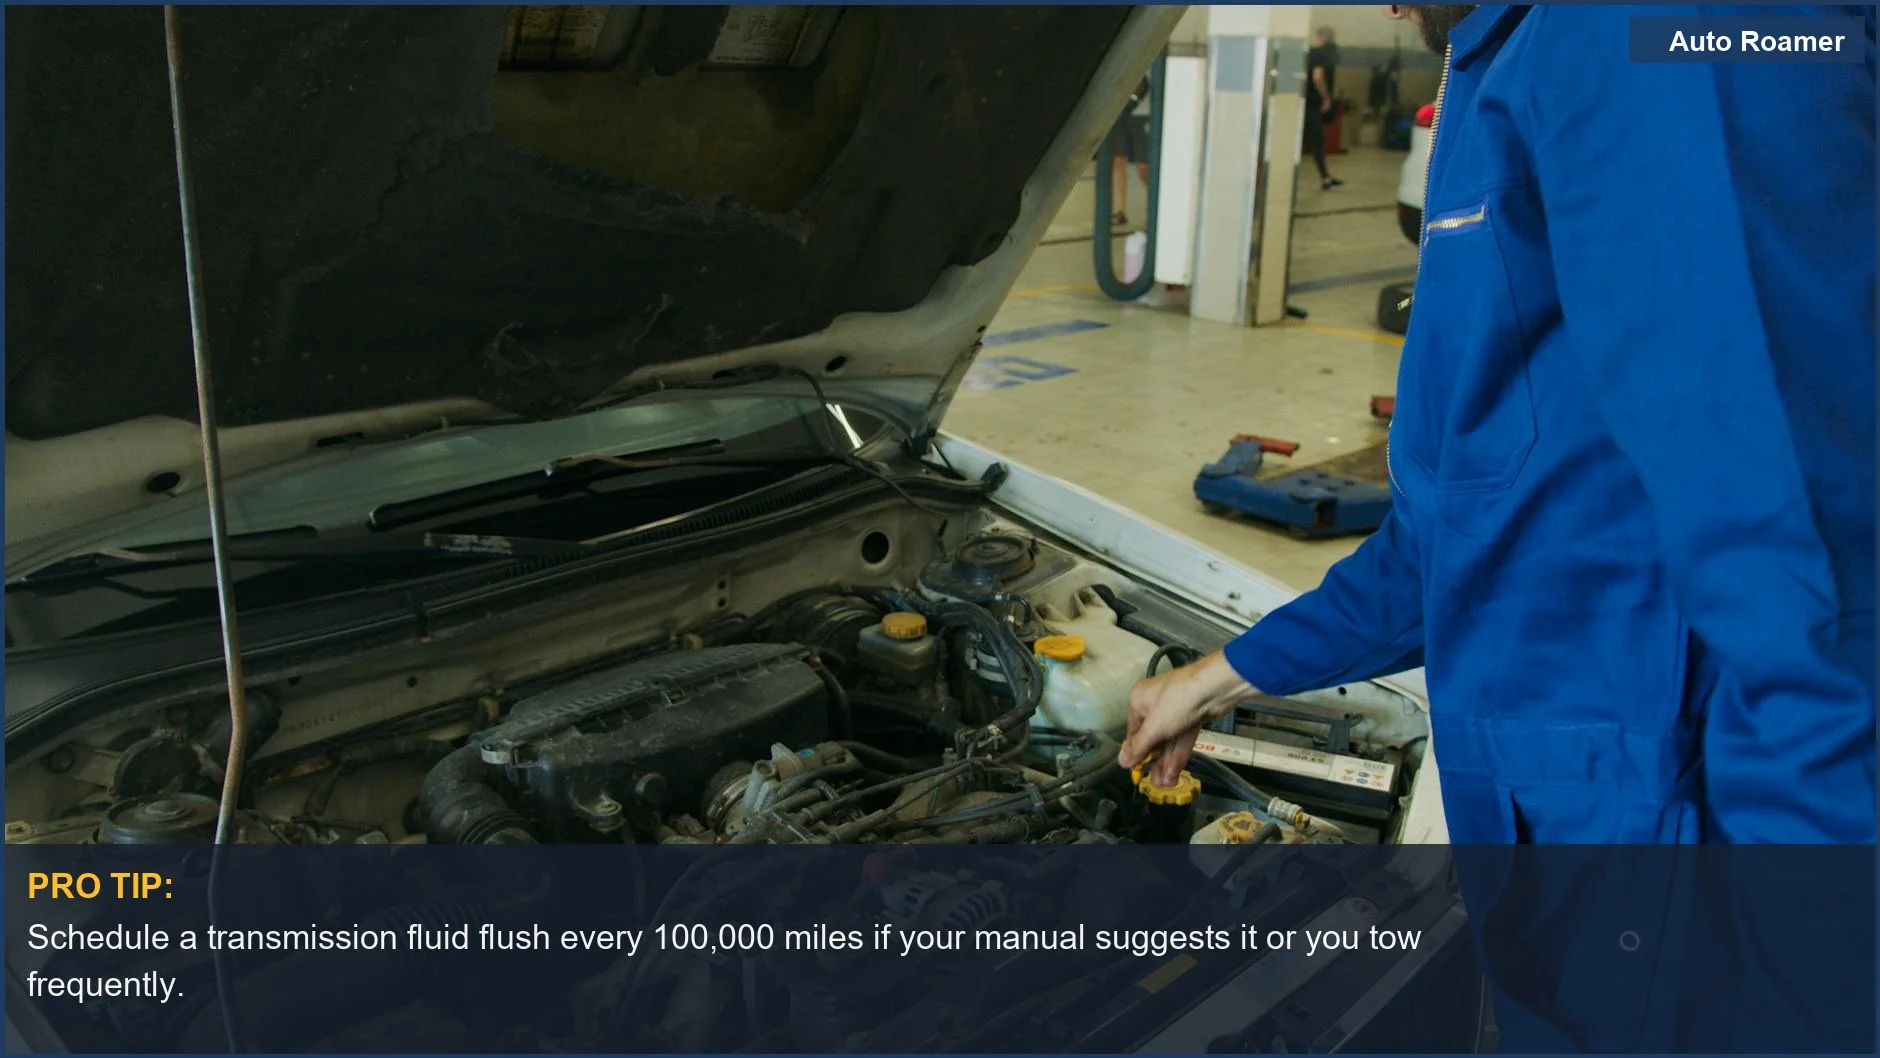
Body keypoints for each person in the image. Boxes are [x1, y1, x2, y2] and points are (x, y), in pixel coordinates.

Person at [1119, 6, 1875, 1045]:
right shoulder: (1505, 58)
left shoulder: (1667, 38)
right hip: (1559, 836)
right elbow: (1452, 522)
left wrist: (1813, 987)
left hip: (1671, 853)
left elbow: (1811, 590)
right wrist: (1220, 676)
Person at [1303, 26, 1343, 189]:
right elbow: (1318, 77)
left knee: (1312, 140)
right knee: (1317, 141)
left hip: (1303, 101)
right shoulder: (1323, 54)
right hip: (1312, 104)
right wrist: (1326, 98)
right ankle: (1325, 178)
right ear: (1327, 37)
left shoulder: (1309, 53)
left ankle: (1325, 177)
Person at [1111, 76, 1151, 227]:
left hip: (1142, 111)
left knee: (1143, 165)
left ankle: (1155, 202)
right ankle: (1120, 211)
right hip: (1119, 111)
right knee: (1118, 160)